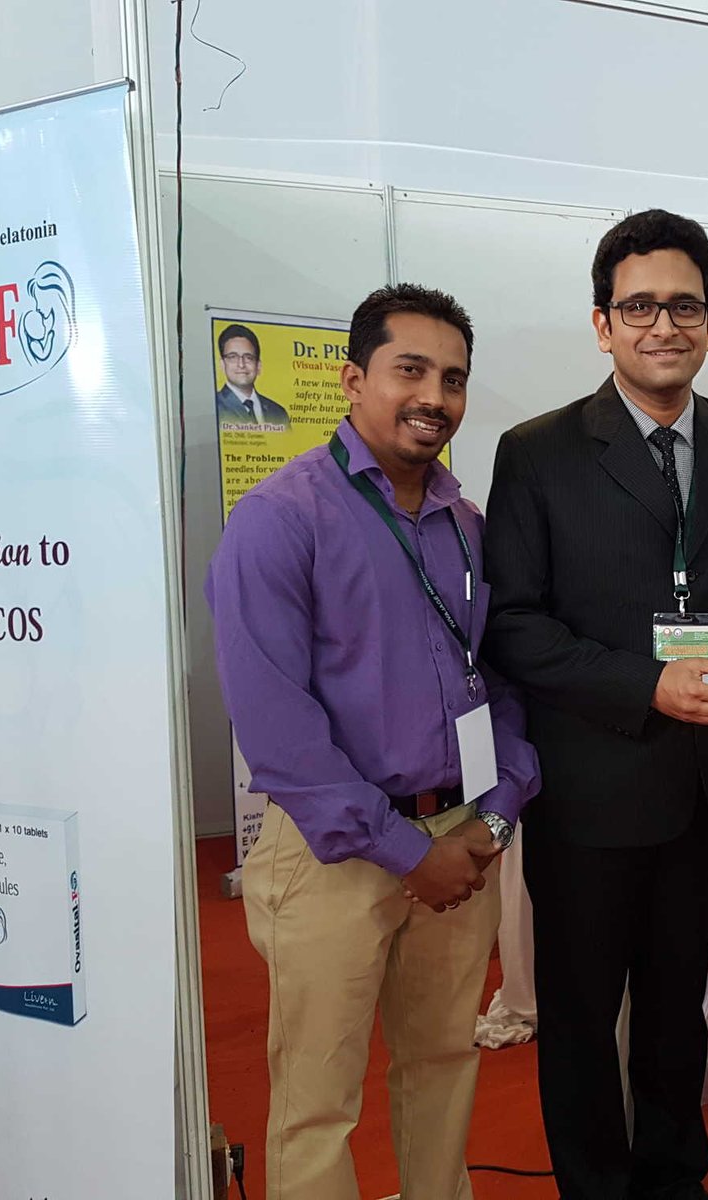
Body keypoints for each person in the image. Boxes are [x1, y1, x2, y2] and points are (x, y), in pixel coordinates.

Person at [483, 209, 708, 1200]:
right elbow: (514, 625)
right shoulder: (537, 452)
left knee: (677, 1008)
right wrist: (645, 682)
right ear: (602, 324)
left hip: (704, 790)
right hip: (590, 790)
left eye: (684, 305)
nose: (662, 325)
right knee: (582, 1017)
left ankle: (675, 1178)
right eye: (638, 307)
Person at [205, 284, 540, 1200]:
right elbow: (278, 731)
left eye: (454, 378)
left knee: (444, 1065)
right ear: (354, 380)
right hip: (333, 854)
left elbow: (501, 679)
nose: (435, 396)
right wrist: (406, 852)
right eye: (411, 370)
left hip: (460, 840)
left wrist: (496, 813)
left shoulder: (467, 526)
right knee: (317, 1104)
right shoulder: (280, 518)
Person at [216, 322, 292, 428]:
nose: (241, 364)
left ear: (258, 366)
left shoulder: (278, 413)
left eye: (248, 358)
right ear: (222, 364)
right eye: (233, 357)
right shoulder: (214, 406)